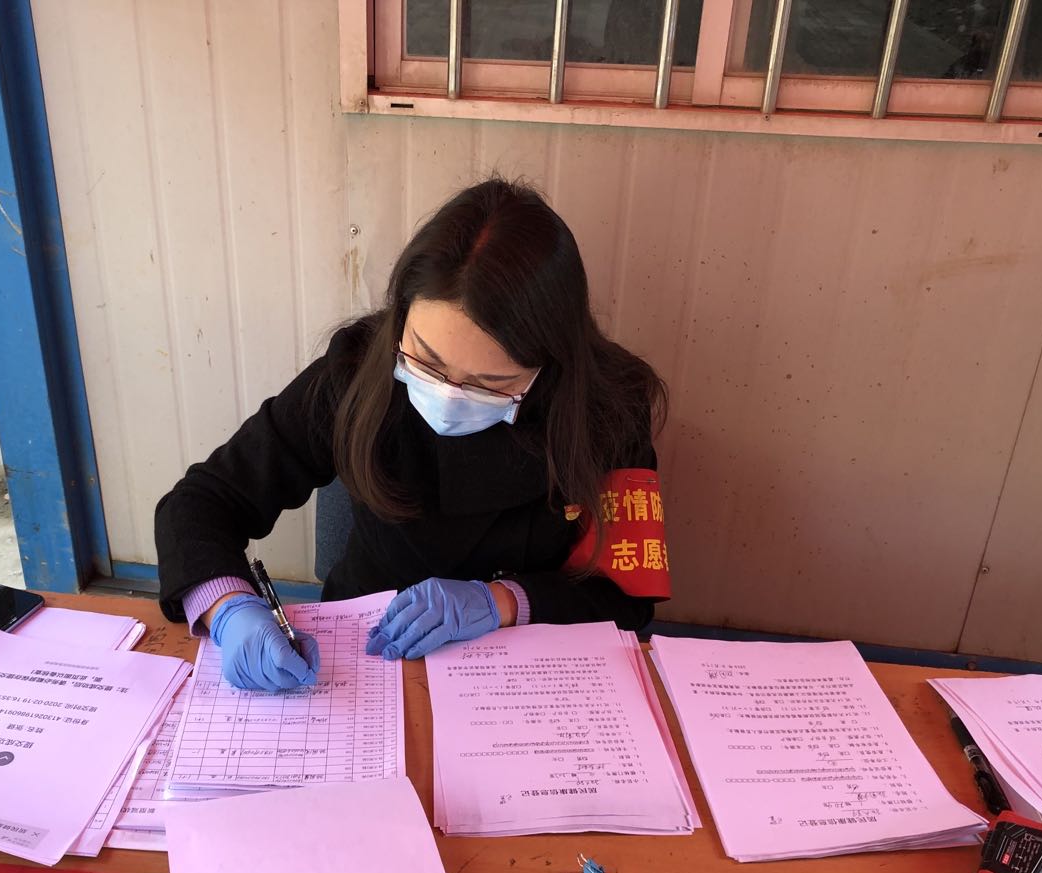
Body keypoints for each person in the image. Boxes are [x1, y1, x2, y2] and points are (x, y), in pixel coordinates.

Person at [155, 177, 670, 692]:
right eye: (426, 360)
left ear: (551, 363)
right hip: (362, 654)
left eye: (491, 383)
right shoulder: (358, 369)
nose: (449, 397)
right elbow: (202, 501)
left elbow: (626, 594)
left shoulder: (608, 408)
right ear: (401, 313)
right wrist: (228, 607)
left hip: (523, 666)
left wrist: (502, 602)